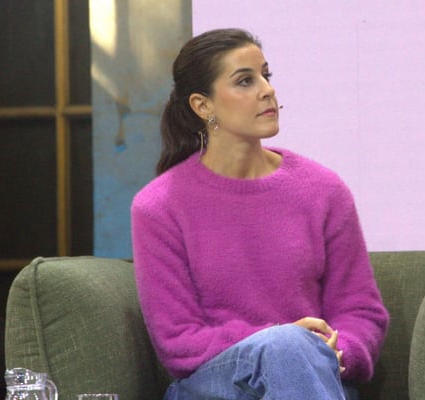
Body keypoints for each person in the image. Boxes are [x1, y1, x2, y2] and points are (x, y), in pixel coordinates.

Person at [131, 28, 389, 400]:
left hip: (317, 377)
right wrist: (286, 343)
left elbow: (360, 311)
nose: (267, 90)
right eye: (245, 81)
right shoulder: (159, 206)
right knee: (287, 348)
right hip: (213, 388)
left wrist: (335, 351)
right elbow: (179, 340)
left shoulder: (324, 190)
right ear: (203, 106)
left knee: (292, 353)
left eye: (266, 76)